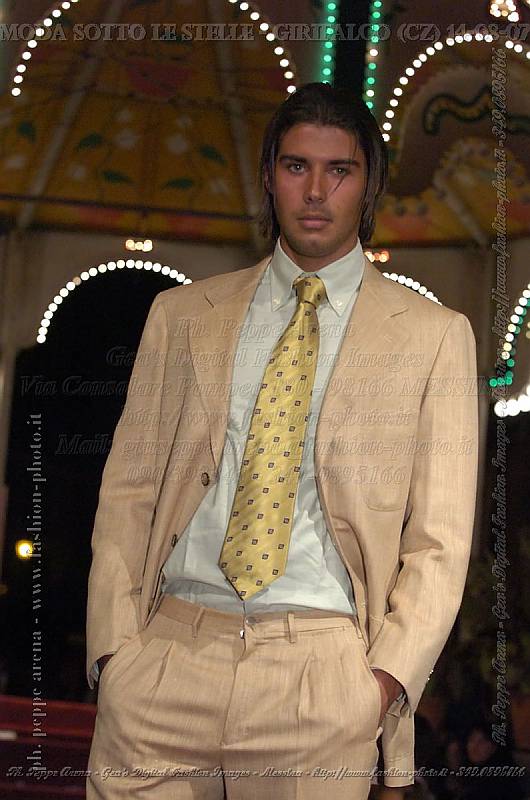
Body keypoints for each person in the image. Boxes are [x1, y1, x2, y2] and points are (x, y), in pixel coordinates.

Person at [86, 82, 479, 799]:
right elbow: (128, 492)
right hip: (165, 661)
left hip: (321, 678)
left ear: (370, 184)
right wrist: (116, 655)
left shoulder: (434, 336)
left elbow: (440, 540)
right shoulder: (181, 315)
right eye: (297, 166)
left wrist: (381, 682)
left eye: (340, 170)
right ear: (269, 176)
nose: (316, 191)